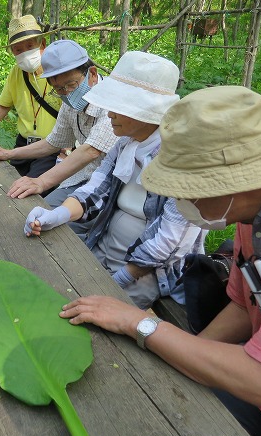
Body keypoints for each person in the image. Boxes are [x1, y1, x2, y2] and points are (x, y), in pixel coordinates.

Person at [63, 85, 261, 436]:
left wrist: (142, 325)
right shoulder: (250, 218)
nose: (182, 202)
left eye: (188, 190)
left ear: (236, 182)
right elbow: (244, 303)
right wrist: (190, 361)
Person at [25, 51, 205, 309]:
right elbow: (98, 188)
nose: (110, 114)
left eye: (119, 107)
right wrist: (58, 215)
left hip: (146, 273)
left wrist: (119, 279)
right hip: (104, 245)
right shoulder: (125, 144)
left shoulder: (180, 159)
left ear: (146, 111)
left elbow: (171, 241)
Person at [0, 40, 117, 208]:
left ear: (93, 74)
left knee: (53, 222)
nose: (66, 93)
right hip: (81, 177)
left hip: (113, 184)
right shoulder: (70, 103)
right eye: (59, 89)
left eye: (72, 85)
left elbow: (91, 151)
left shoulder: (112, 101)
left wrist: (42, 182)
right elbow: (53, 142)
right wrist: (9, 153)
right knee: (39, 211)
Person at [0, 15, 62, 180]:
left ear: (43, 45)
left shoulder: (59, 72)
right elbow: (4, 105)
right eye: (18, 50)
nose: (24, 53)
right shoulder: (16, 73)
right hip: (23, 145)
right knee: (7, 181)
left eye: (29, 46)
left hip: (52, 147)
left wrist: (65, 150)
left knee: (30, 190)